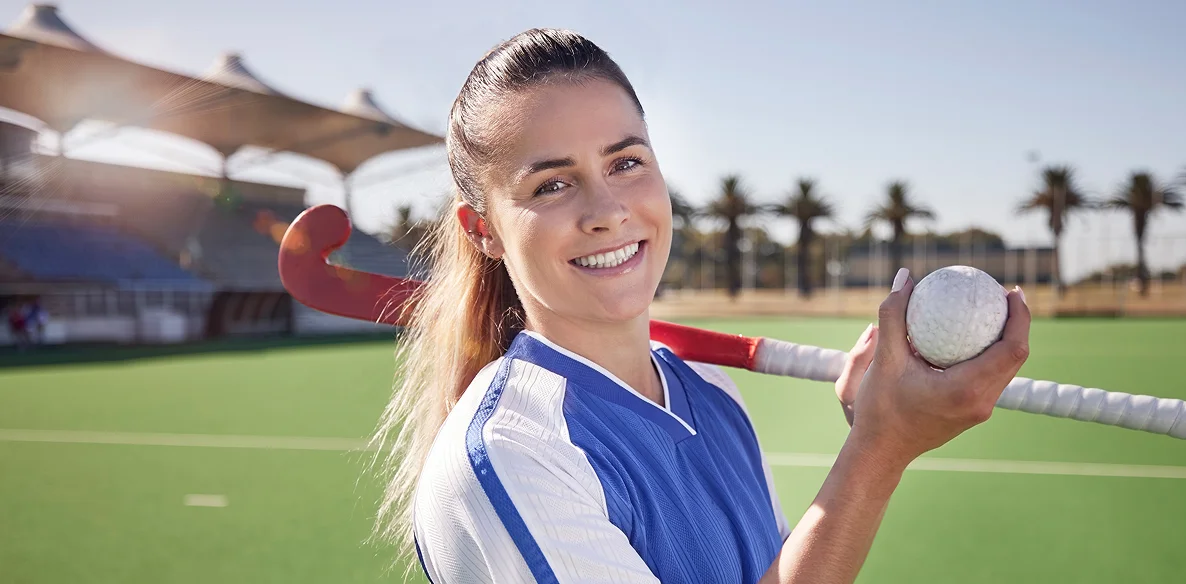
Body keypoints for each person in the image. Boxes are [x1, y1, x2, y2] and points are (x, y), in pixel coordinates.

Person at [368, 29, 1031, 584]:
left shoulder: (713, 394)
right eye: (553, 183)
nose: (608, 211)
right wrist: (880, 450)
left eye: (626, 163)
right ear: (482, 229)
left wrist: (875, 440)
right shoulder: (510, 453)